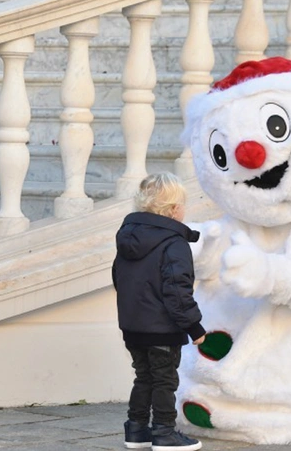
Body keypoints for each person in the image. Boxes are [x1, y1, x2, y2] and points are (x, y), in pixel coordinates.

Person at [112, 172, 206, 451]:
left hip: (133, 324)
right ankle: (164, 432)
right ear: (174, 209)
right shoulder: (173, 242)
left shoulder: (127, 237)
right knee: (165, 379)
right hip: (161, 326)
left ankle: (137, 429)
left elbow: (119, 278)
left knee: (144, 376)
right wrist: (195, 327)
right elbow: (177, 290)